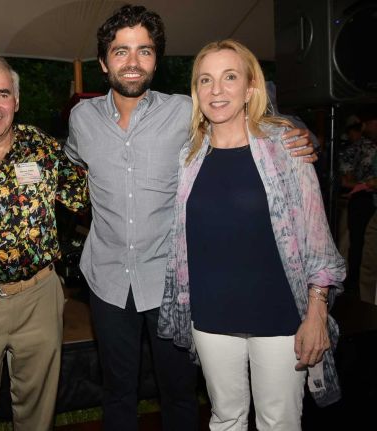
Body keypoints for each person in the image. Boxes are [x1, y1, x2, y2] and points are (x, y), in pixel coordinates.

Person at [65, 5, 316, 430]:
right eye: (121, 51)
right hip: (106, 280)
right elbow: (73, 162)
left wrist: (299, 132)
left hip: (171, 281)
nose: (132, 61)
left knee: (179, 394)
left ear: (156, 61)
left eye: (144, 51)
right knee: (117, 392)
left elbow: (246, 117)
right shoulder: (81, 119)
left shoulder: (185, 111)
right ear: (104, 62)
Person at [158, 39, 345, 430]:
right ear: (196, 92)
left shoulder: (286, 148)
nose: (216, 89)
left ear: (250, 89)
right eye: (205, 80)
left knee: (278, 422)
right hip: (210, 315)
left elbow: (318, 241)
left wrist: (317, 310)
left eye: (230, 77)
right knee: (225, 418)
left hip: (279, 314)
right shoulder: (188, 157)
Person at [0, 55, 87, 431]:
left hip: (39, 297)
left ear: (17, 100)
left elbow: (85, 195)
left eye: (3, 94)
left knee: (38, 410)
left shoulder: (43, 147)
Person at [338, 109, 377, 295]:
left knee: (357, 245)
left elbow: (345, 181)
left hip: (361, 200)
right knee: (360, 245)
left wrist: (361, 184)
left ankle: (353, 286)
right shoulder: (367, 148)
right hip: (365, 199)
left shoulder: (356, 149)